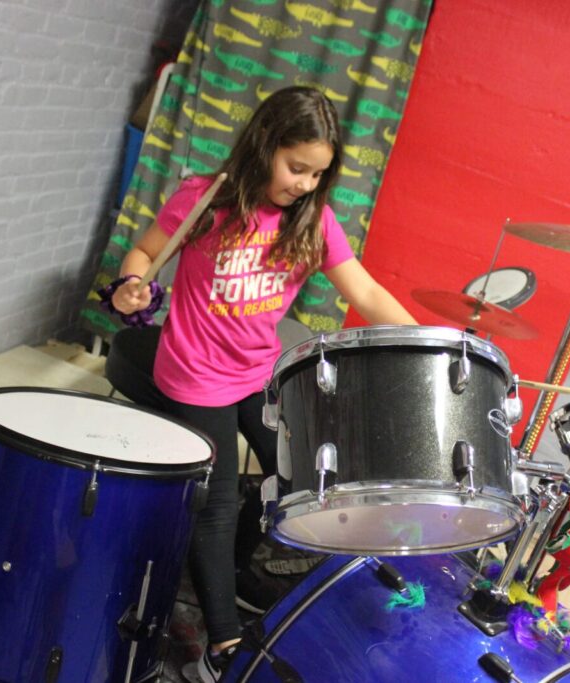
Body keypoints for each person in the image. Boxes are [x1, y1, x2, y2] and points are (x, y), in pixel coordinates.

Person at [108, 86, 417, 682]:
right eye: (296, 167)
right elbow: (144, 252)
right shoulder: (206, 201)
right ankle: (220, 645)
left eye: (317, 174)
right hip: (195, 370)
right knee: (219, 503)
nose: (305, 183)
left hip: (257, 368)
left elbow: (365, 290)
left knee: (295, 476)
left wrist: (426, 339)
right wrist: (131, 285)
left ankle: (230, 570)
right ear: (264, 145)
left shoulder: (313, 219)